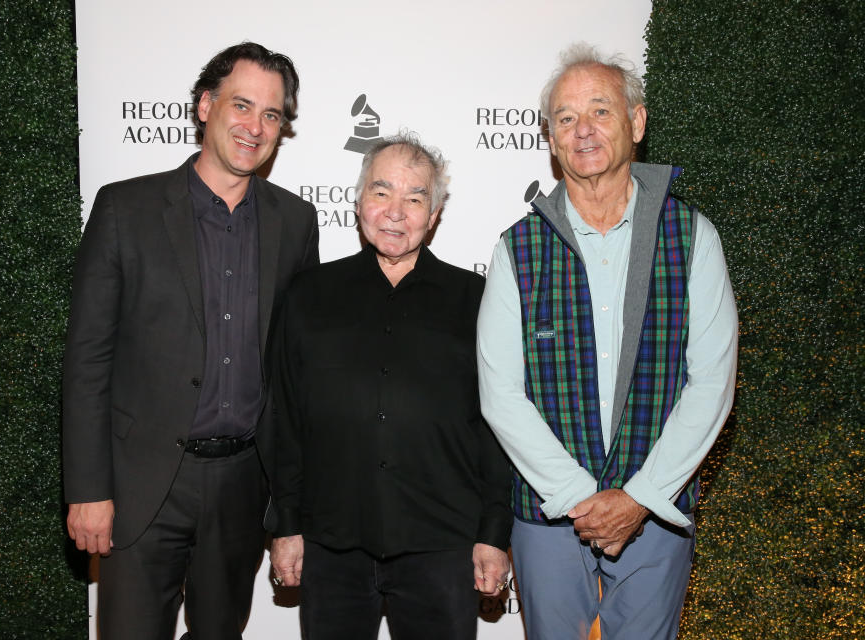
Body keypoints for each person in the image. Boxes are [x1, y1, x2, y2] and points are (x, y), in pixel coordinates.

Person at [477, 43, 738, 640]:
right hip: (547, 517)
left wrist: (640, 497)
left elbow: (713, 384)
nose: (582, 130)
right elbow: (500, 394)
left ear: (637, 122)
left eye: (600, 110)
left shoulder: (692, 236)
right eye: (565, 118)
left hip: (657, 511)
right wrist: (577, 497)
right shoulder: (516, 249)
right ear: (550, 139)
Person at [62, 42, 319, 640]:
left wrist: (289, 502)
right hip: (141, 483)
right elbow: (87, 362)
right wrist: (88, 490)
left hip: (241, 486)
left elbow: (291, 373)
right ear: (206, 105)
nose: (255, 127)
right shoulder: (126, 208)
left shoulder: (295, 222)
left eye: (273, 115)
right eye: (242, 105)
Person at [263, 133, 512, 640]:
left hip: (443, 547)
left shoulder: (478, 301)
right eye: (382, 192)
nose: (396, 211)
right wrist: (285, 524)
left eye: (415, 197)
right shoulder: (308, 295)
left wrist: (493, 533)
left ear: (435, 213)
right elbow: (283, 418)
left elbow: (499, 428)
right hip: (330, 546)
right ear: (358, 203)